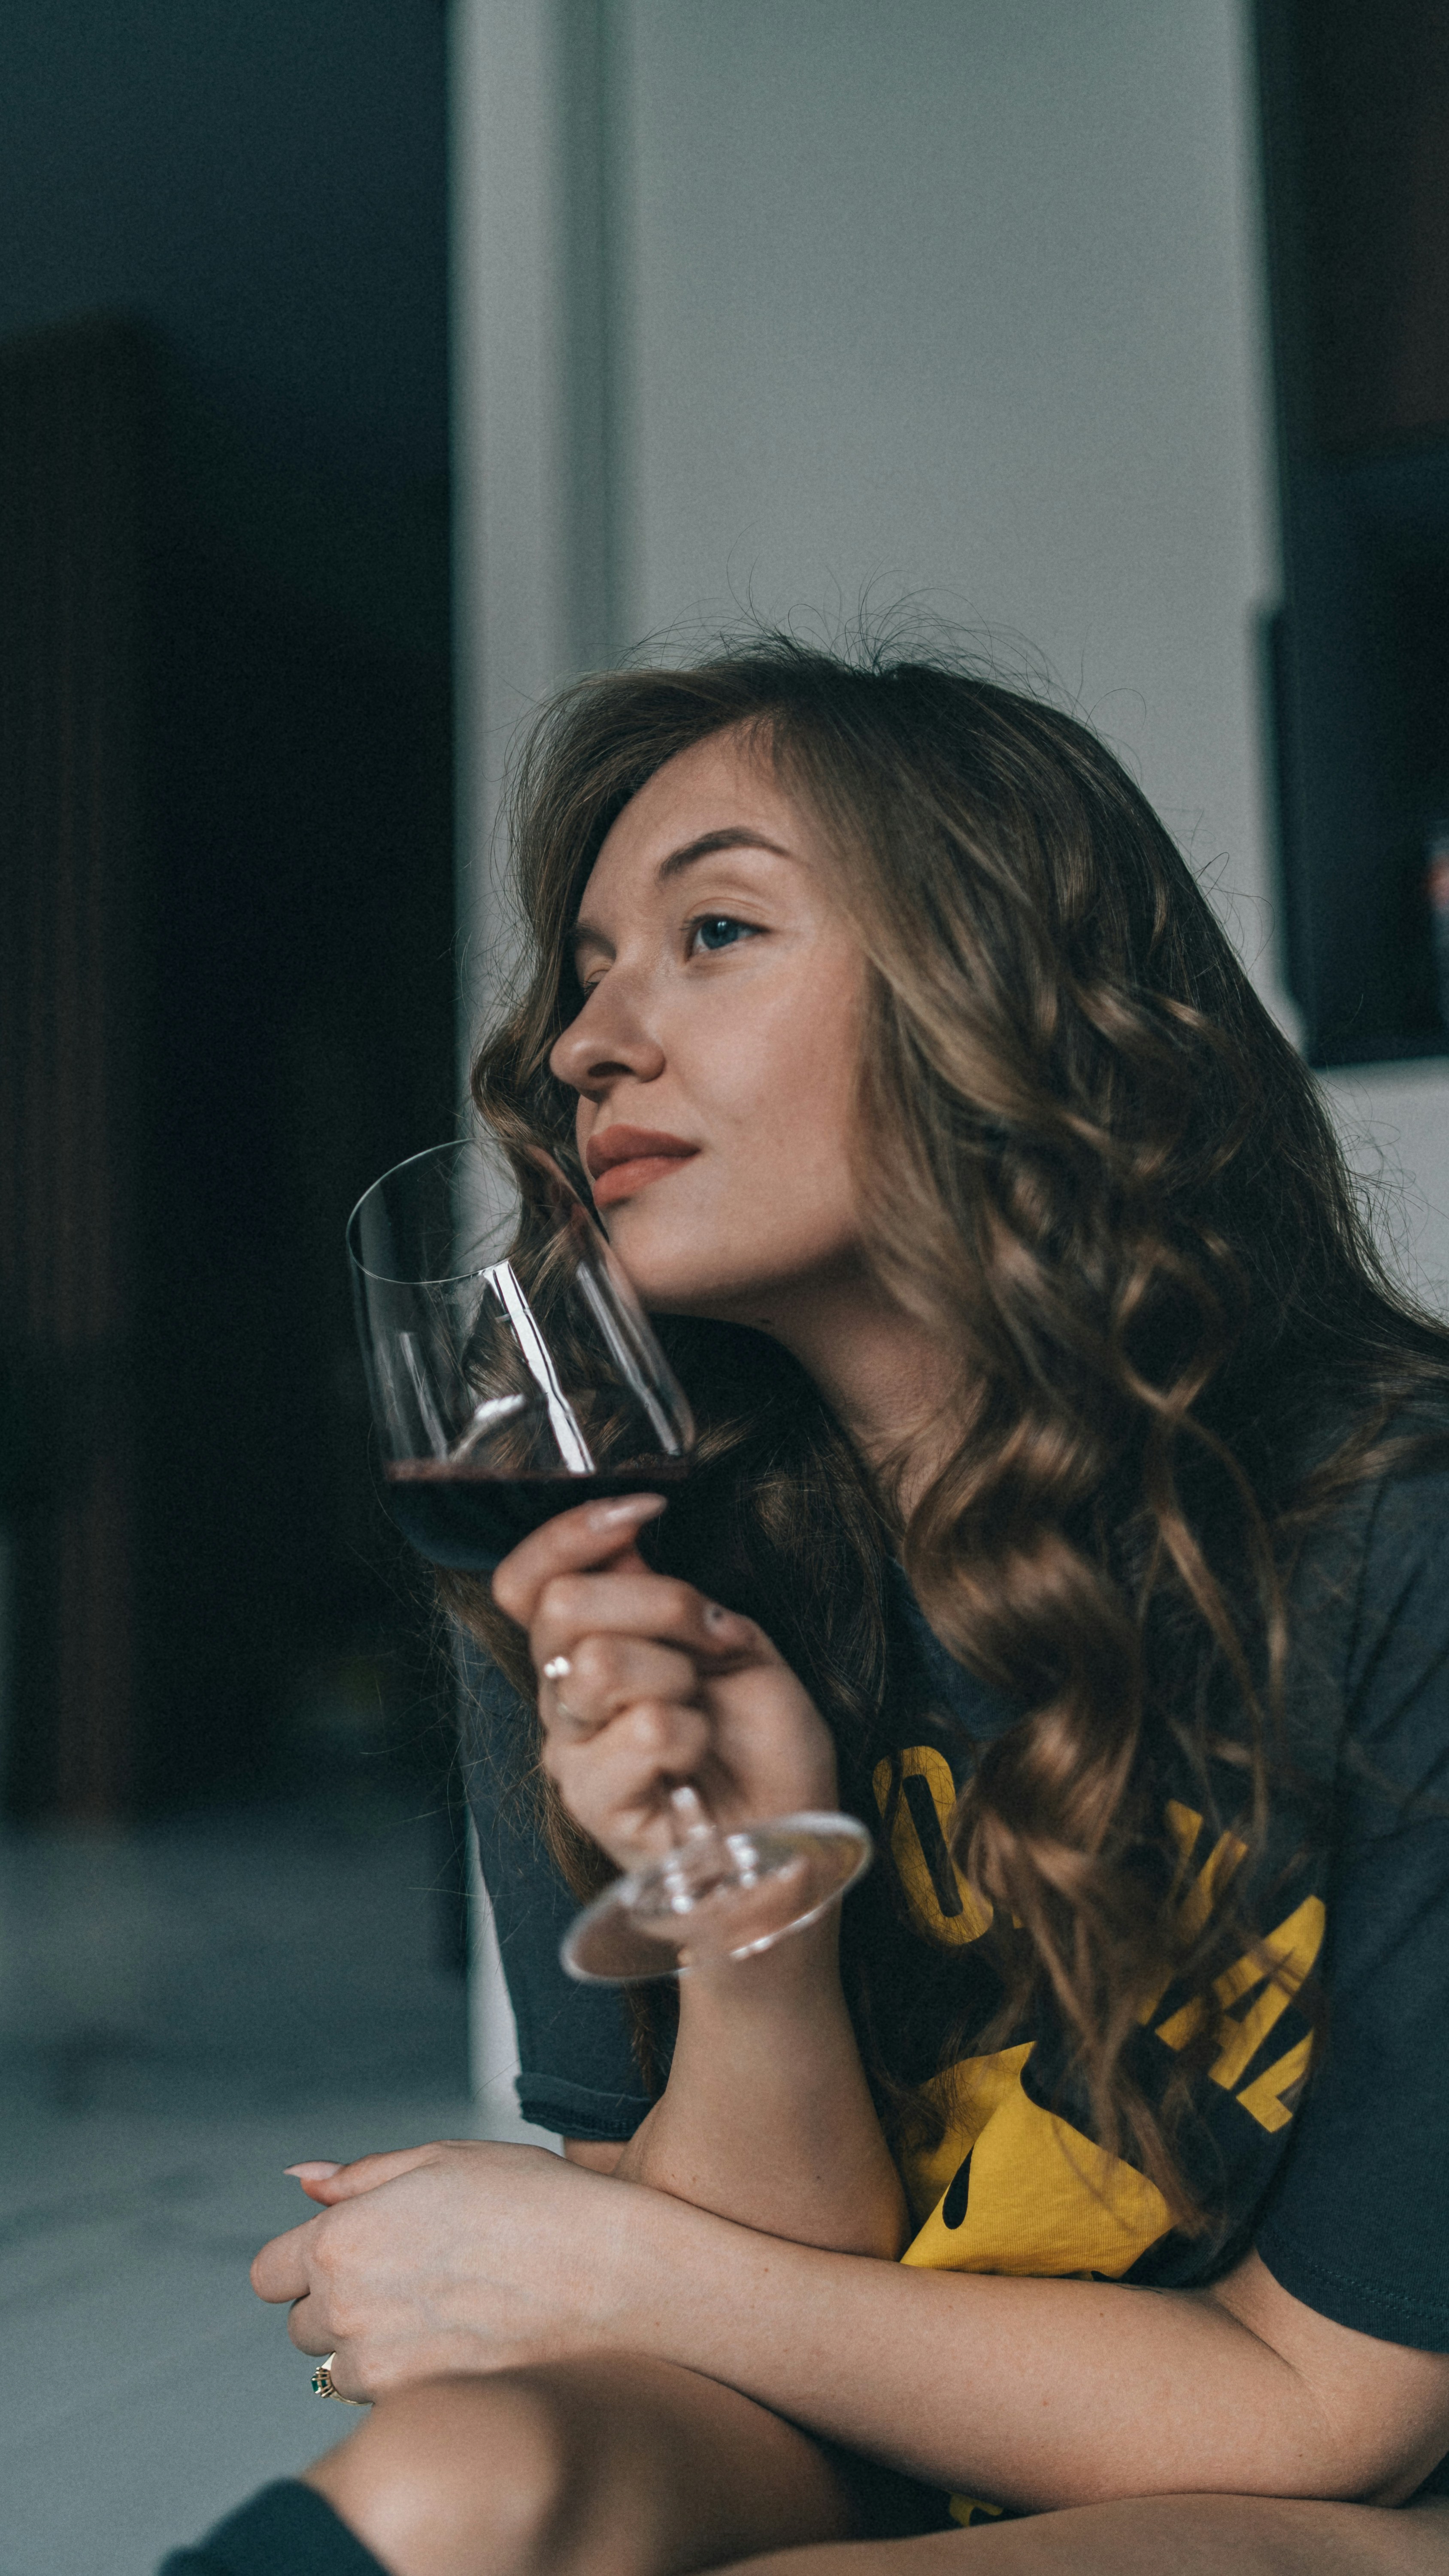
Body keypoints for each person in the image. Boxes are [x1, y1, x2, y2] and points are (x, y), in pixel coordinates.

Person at [165, 639, 1449, 2576]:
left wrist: (597, 2259)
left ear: (1002, 984)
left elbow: (1333, 2413)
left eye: (714, 931)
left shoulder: (1391, 1534)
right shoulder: (605, 1555)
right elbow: (748, 2317)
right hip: (858, 2403)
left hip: (1320, 2479)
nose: (592, 1038)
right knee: (460, 2491)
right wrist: (755, 1921)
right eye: (587, 965)